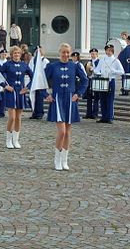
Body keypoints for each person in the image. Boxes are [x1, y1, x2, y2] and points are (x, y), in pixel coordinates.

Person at [44, 43, 89, 171]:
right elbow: (41, 80)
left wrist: (78, 93)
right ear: (59, 53)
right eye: (63, 52)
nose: (66, 54)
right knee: (62, 132)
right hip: (58, 100)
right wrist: (45, 94)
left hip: (70, 100)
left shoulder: (75, 66)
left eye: (68, 52)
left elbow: (85, 80)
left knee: (68, 133)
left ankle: (64, 160)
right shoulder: (52, 66)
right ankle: (57, 159)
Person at [0, 46, 34, 149]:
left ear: (21, 54)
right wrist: (5, 86)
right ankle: (8, 140)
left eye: (18, 53)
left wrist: (27, 87)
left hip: (21, 92)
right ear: (11, 54)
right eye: (14, 53)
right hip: (11, 92)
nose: (16, 55)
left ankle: (16, 140)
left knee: (19, 118)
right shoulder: (7, 65)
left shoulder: (24, 65)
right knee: (12, 117)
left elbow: (34, 77)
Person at [94, 44, 124, 124]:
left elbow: (122, 71)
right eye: (107, 50)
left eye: (110, 50)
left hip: (111, 81)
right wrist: (99, 73)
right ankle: (104, 117)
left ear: (112, 51)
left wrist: (114, 71)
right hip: (103, 80)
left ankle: (110, 117)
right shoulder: (102, 59)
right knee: (102, 99)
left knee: (110, 99)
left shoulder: (116, 60)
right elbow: (97, 69)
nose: (109, 52)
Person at [30, 47, 49, 120]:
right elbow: (31, 68)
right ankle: (34, 112)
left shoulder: (45, 61)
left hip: (41, 81)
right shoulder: (33, 60)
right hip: (34, 80)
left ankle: (40, 113)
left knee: (40, 98)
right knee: (33, 97)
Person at [84, 48, 99, 119]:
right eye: (92, 54)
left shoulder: (99, 62)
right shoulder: (88, 62)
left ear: (97, 54)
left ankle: (95, 114)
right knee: (89, 97)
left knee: (96, 97)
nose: (93, 55)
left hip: (96, 80)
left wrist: (94, 69)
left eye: (94, 54)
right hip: (89, 80)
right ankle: (88, 113)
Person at [0, 49, 8, 118]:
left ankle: (1, 111)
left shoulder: (8, 63)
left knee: (3, 97)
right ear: (0, 55)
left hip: (5, 81)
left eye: (5, 54)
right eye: (2, 54)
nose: (4, 55)